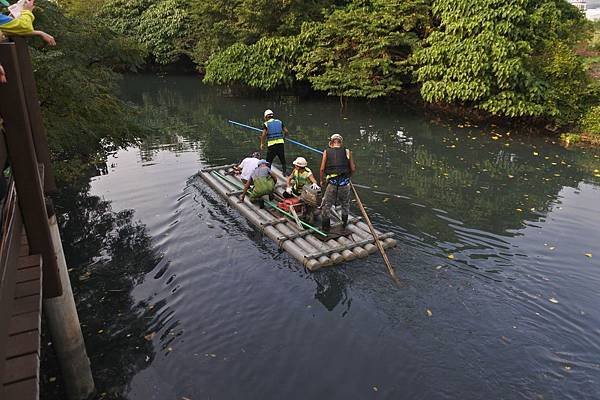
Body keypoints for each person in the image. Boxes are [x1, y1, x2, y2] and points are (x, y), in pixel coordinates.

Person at [319, 133, 356, 231]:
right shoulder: (347, 151)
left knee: (327, 206)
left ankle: (325, 228)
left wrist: (321, 180)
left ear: (331, 142)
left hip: (332, 184)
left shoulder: (326, 152)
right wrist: (348, 177)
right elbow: (353, 168)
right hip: (345, 184)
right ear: (341, 142)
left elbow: (322, 169)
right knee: (345, 205)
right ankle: (343, 226)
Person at [260, 109, 289, 175]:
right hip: (280, 144)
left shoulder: (266, 124)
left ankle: (268, 173)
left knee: (268, 161)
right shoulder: (279, 121)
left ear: (266, 117)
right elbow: (286, 131)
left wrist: (262, 143)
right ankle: (284, 172)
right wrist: (284, 138)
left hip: (272, 145)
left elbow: (263, 135)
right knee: (282, 159)